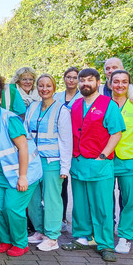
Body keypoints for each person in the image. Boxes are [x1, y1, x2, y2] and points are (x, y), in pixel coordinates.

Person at [62, 68, 125, 262]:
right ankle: (82, 237)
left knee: (102, 206)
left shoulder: (109, 105)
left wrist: (103, 156)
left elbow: (116, 133)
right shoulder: (75, 105)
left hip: (100, 163)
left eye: (90, 80)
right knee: (79, 204)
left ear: (98, 82)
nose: (85, 83)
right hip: (79, 162)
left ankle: (105, 244)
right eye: (82, 80)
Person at [0, 76, 42, 257]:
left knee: (12, 208)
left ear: (0, 99)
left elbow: (23, 148)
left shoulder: (10, 119)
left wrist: (22, 176)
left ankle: (20, 243)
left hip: (24, 171)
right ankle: (5, 240)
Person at [24, 74, 72, 252]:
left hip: (52, 162)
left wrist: (65, 167)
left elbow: (67, 141)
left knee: (52, 199)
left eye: (48, 86)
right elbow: (25, 132)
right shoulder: (33, 107)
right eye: (41, 86)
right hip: (33, 161)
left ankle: (52, 237)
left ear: (54, 87)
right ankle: (40, 231)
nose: (44, 89)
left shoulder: (62, 110)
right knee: (33, 197)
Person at [110, 69, 133, 254]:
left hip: (130, 161)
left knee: (130, 201)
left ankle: (125, 236)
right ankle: (107, 232)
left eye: (124, 81)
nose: (120, 85)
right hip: (107, 158)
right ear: (110, 84)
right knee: (106, 199)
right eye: (116, 81)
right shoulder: (104, 104)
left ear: (129, 85)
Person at [55, 66, 80, 228]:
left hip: (78, 143)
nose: (71, 80)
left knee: (77, 184)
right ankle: (62, 217)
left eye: (74, 77)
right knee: (61, 183)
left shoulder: (83, 97)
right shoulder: (57, 97)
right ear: (64, 78)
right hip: (60, 144)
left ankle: (79, 220)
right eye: (68, 77)